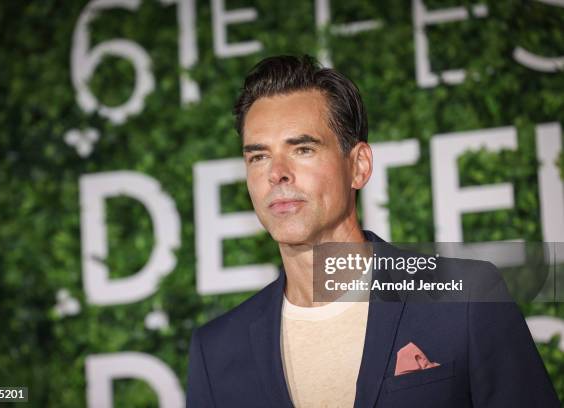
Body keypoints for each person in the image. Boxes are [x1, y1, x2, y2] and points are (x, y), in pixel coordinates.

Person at [186, 55, 560, 407]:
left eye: (302, 149)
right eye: (259, 156)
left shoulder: (466, 299)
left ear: (359, 165)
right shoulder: (216, 350)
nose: (276, 173)